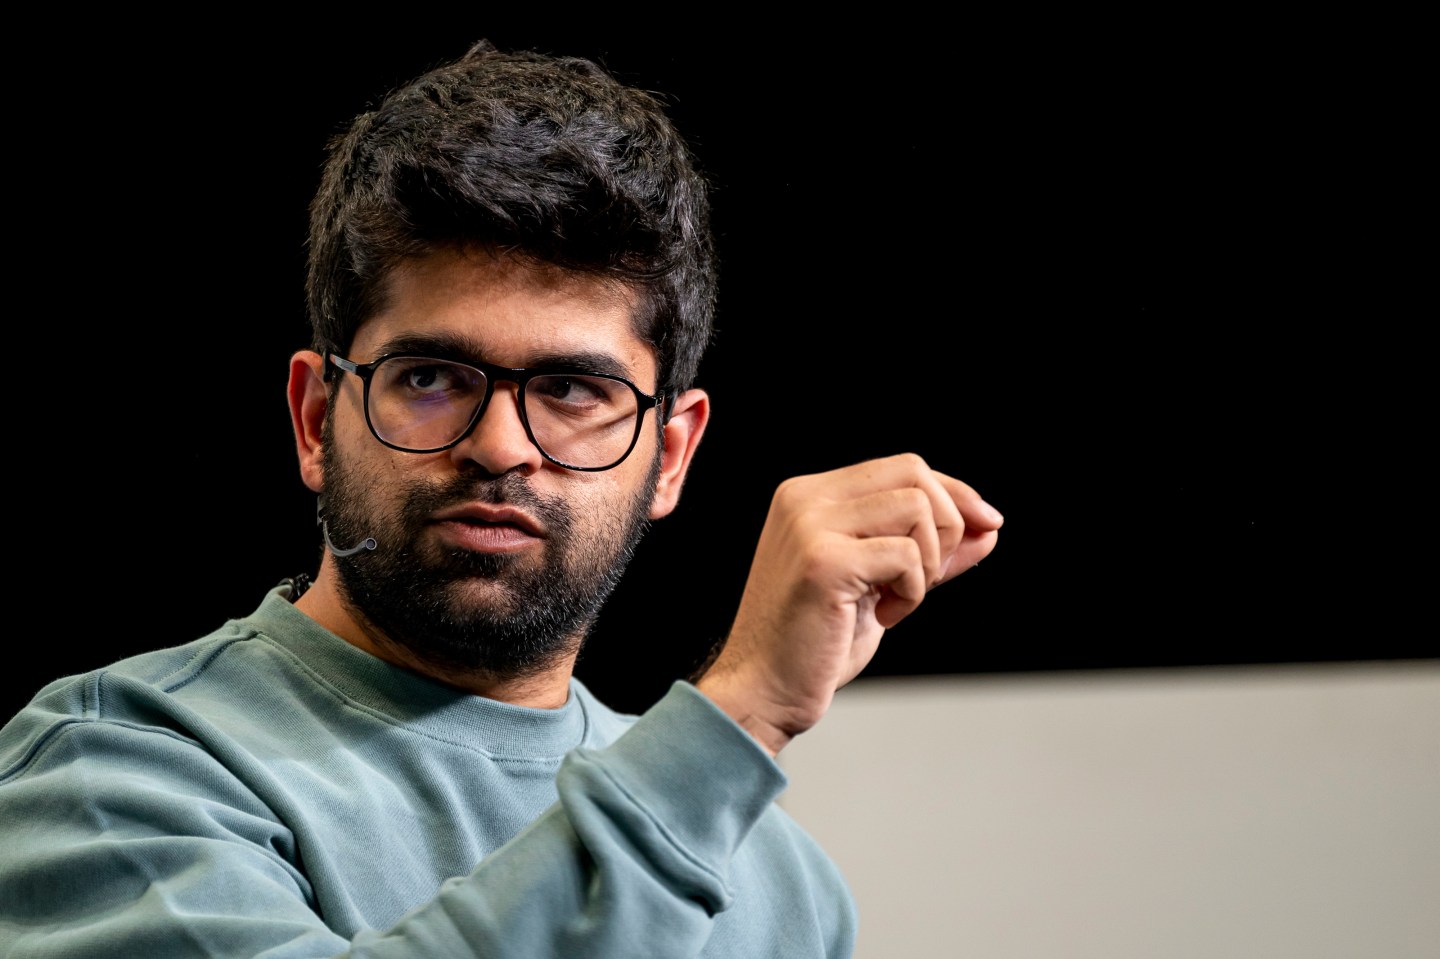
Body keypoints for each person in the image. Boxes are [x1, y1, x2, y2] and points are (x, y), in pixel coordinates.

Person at [0, 39, 1002, 958]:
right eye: (432, 376)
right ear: (315, 418)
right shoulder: (111, 773)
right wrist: (739, 717)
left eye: (574, 389)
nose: (499, 445)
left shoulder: (780, 883)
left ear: (671, 454)